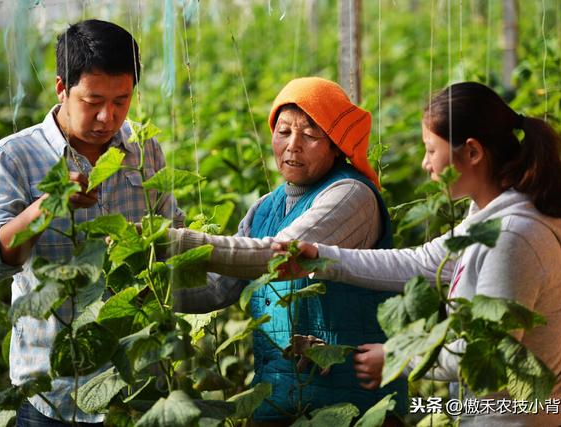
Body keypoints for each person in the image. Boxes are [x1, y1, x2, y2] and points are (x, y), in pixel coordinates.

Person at [274, 81, 561, 426]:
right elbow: (421, 261)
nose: (424, 164)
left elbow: (487, 353)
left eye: (431, 150)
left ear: (473, 153)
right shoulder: (492, 216)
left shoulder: (512, 237)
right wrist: (321, 258)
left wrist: (398, 356)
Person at [0, 19, 184, 426]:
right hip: (54, 393)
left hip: (136, 386)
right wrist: (45, 209)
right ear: (61, 89)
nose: (108, 116)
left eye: (123, 100)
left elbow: (171, 231)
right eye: (93, 100)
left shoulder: (143, 148)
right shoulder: (14, 157)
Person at [172, 77, 406, 425]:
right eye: (284, 132)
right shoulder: (265, 207)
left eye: (310, 135)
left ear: (336, 145)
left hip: (352, 405)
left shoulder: (351, 195)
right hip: (277, 402)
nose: (293, 146)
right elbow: (217, 288)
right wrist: (147, 287)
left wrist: (176, 242)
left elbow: (279, 256)